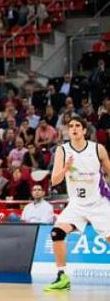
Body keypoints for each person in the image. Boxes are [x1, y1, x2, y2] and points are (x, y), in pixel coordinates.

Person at [43, 116, 110, 292]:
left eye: (77, 125)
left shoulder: (98, 149)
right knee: (57, 232)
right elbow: (55, 180)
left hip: (99, 203)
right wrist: (65, 168)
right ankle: (62, 276)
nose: (73, 128)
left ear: (84, 130)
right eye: (70, 126)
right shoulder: (62, 150)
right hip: (76, 205)